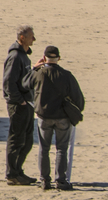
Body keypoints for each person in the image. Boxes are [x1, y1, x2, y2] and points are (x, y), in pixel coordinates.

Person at [32, 45, 85, 191]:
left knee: (44, 148)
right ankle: (61, 181)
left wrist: (35, 68)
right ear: (59, 58)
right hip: (62, 117)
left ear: (44, 58)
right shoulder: (67, 75)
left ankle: (45, 180)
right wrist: (76, 111)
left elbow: (26, 84)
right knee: (62, 149)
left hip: (44, 116)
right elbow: (78, 98)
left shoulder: (39, 74)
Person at [2, 25, 38, 185]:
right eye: (31, 36)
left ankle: (18, 170)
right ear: (22, 38)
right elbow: (9, 82)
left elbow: (25, 78)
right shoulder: (15, 56)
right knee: (17, 139)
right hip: (19, 105)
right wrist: (19, 100)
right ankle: (12, 174)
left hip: (27, 103)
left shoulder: (23, 56)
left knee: (28, 140)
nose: (34, 39)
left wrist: (36, 68)